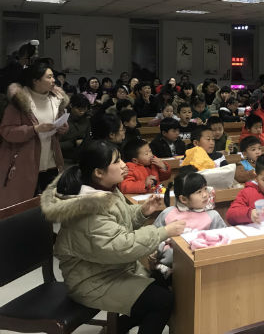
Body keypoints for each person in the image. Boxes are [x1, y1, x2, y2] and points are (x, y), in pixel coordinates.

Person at [40, 140, 182, 334]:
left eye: (121, 159)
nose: (124, 165)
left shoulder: (106, 190)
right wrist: (162, 232)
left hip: (109, 268)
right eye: (116, 161)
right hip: (92, 280)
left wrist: (142, 212)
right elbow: (120, 246)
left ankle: (114, 330)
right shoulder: (89, 208)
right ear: (99, 172)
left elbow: (118, 219)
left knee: (163, 282)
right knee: (162, 301)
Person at [0, 60, 69, 207]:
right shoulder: (20, 102)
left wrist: (62, 128)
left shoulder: (56, 100)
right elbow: (6, 131)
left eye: (53, 76)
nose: (53, 80)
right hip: (25, 163)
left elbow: (59, 127)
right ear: (36, 81)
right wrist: (35, 129)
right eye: (49, 77)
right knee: (25, 206)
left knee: (49, 206)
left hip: (51, 161)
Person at [153, 167, 226, 278]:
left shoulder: (213, 216)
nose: (205, 194)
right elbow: (153, 238)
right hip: (168, 270)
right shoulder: (168, 213)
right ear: (183, 199)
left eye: (205, 189)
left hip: (201, 270)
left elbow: (223, 242)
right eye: (199, 192)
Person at [60, 94, 90, 162]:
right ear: (71, 105)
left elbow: (88, 138)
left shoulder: (86, 120)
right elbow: (55, 145)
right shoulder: (62, 120)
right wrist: (73, 142)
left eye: (84, 109)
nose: (82, 111)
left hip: (80, 158)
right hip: (63, 158)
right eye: (79, 109)